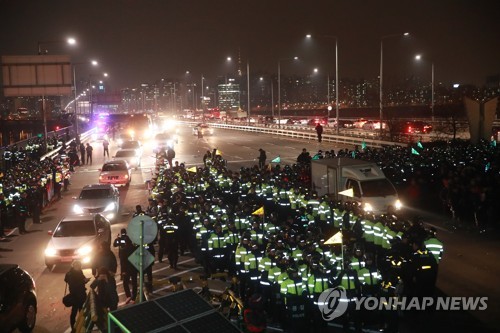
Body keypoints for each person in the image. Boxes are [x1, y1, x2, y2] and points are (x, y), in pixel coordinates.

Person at [64, 260, 90, 330]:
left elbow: (66, 280)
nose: (79, 267)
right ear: (74, 265)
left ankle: (81, 325)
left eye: (79, 266)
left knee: (81, 310)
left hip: (81, 294)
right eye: (77, 266)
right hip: (75, 295)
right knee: (74, 311)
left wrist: (85, 280)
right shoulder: (70, 274)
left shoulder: (79, 272)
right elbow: (73, 285)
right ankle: (74, 327)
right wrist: (83, 281)